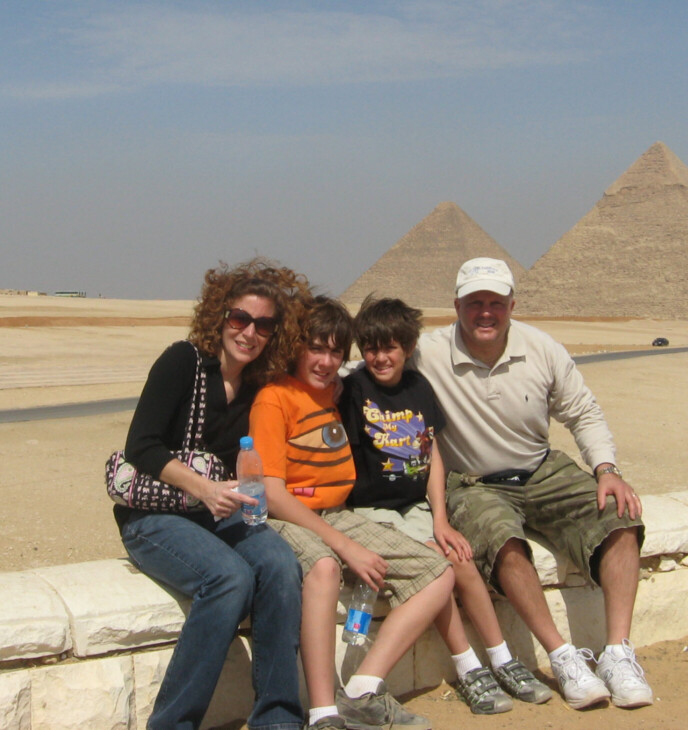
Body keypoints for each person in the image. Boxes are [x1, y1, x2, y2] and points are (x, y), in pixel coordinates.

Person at [413, 257, 654, 710]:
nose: (486, 312)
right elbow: (362, 375)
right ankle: (562, 656)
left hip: (540, 469)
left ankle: (618, 652)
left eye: (496, 303)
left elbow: (583, 412)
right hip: (474, 482)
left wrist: (606, 469)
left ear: (511, 305)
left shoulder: (542, 348)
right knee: (501, 538)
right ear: (456, 306)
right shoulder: (426, 354)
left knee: (619, 515)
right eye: (474, 303)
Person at [116, 259, 309, 730]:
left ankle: (279, 718)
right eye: (240, 319)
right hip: (156, 515)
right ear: (219, 315)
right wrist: (203, 488)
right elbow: (140, 445)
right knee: (229, 579)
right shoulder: (182, 362)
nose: (249, 333)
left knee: (282, 567)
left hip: (219, 511)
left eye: (263, 325)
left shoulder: (258, 383)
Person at [338, 296, 552, 716]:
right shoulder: (353, 390)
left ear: (408, 347)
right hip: (372, 511)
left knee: (460, 558)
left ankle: (503, 659)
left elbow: (431, 451)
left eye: (391, 347)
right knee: (437, 566)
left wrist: (440, 518)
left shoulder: (419, 388)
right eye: (372, 348)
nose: (381, 357)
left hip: (415, 507)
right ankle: (468, 667)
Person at [248, 295, 455, 730]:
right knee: (324, 568)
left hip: (338, 513)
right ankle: (324, 712)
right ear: (296, 346)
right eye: (316, 348)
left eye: (335, 352)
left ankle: (361, 689)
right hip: (290, 516)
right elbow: (272, 492)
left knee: (437, 572)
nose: (325, 361)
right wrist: (344, 546)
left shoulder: (333, 393)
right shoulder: (275, 399)